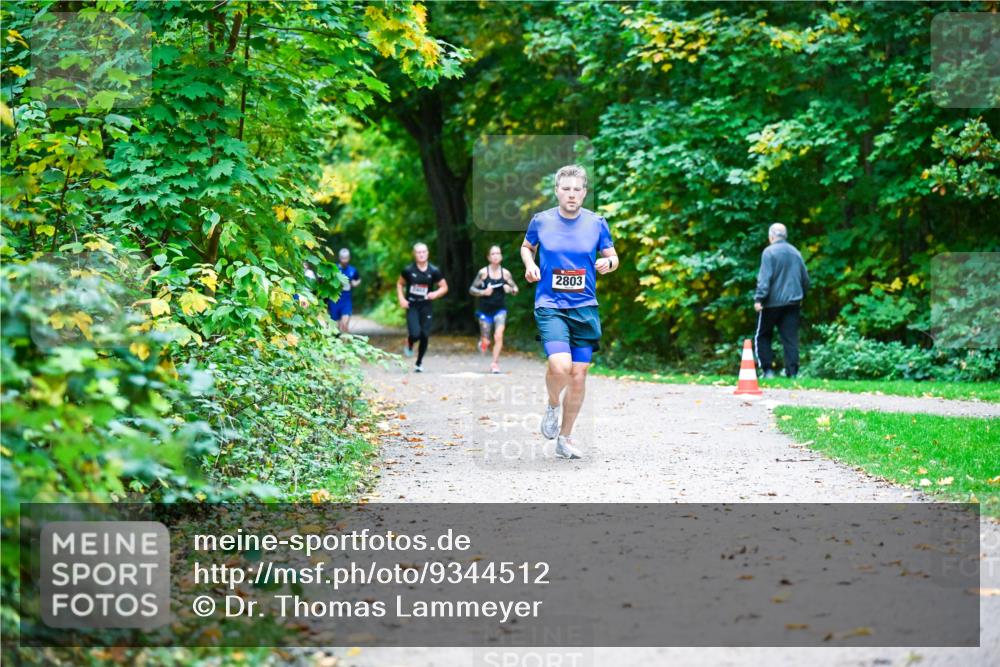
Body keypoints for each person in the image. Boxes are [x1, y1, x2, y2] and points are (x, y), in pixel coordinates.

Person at [521, 165, 618, 460]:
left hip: (585, 307)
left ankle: (565, 438)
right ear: (557, 191)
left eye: (577, 189)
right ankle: (553, 405)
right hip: (550, 305)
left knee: (579, 374)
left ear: (584, 193)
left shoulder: (597, 223)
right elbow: (527, 247)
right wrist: (530, 264)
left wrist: (608, 264)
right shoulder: (541, 220)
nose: (572, 194)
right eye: (566, 189)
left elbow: (613, 257)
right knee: (561, 366)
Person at [753, 222, 810, 378]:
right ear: (785, 236)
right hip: (792, 303)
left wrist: (759, 298)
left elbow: (764, 279)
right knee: (790, 339)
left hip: (771, 303)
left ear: (771, 236)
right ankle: (792, 373)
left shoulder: (769, 252)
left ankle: (767, 370)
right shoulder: (795, 252)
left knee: (763, 335)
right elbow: (805, 278)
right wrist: (802, 295)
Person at [397, 242, 448, 372]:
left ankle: (419, 363)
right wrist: (402, 299)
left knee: (425, 334)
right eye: (419, 252)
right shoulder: (408, 270)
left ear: (427, 254)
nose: (421, 254)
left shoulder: (434, 271)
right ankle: (410, 342)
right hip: (412, 305)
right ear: (414, 254)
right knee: (415, 334)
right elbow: (400, 284)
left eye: (424, 252)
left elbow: (444, 287)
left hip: (426, 305)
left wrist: (435, 293)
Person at [469, 245, 519, 374]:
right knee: (486, 340)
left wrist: (510, 289)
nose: (496, 256)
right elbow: (472, 289)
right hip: (485, 311)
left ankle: (495, 364)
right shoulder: (483, 273)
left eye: (498, 253)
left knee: (499, 335)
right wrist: (483, 292)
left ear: (501, 256)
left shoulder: (505, 274)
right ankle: (484, 342)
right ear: (488, 257)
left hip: (500, 310)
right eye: (493, 254)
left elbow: (516, 289)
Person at [326, 248, 361, 333]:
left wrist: (355, 283)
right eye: (342, 258)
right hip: (334, 299)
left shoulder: (352, 270)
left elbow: (358, 279)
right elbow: (326, 280)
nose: (344, 261)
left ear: (349, 258)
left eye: (346, 258)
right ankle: (336, 339)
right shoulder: (334, 269)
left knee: (344, 325)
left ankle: (345, 339)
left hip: (346, 299)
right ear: (339, 258)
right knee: (335, 328)